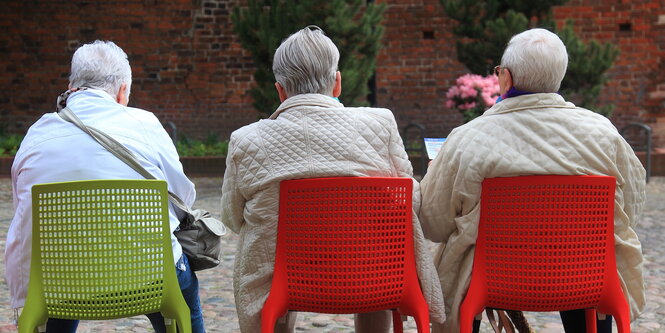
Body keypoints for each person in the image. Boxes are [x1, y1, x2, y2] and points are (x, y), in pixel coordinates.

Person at [220, 26, 446, 333]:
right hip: (374, 275)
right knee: (379, 250)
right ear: (337, 82)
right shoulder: (380, 124)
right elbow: (410, 199)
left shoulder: (246, 140)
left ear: (280, 90)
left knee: (265, 248)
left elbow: (232, 218)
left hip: (285, 282)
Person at [419, 28, 646, 333]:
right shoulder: (603, 134)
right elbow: (630, 209)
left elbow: (433, 224)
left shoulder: (467, 139)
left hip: (492, 279)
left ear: (507, 78)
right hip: (584, 274)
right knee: (592, 260)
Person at [5, 40, 206, 333]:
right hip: (149, 279)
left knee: (62, 279)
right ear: (123, 90)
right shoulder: (145, 124)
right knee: (183, 292)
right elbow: (182, 195)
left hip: (63, 284)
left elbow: (23, 214)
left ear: (71, 86)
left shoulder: (37, 134)